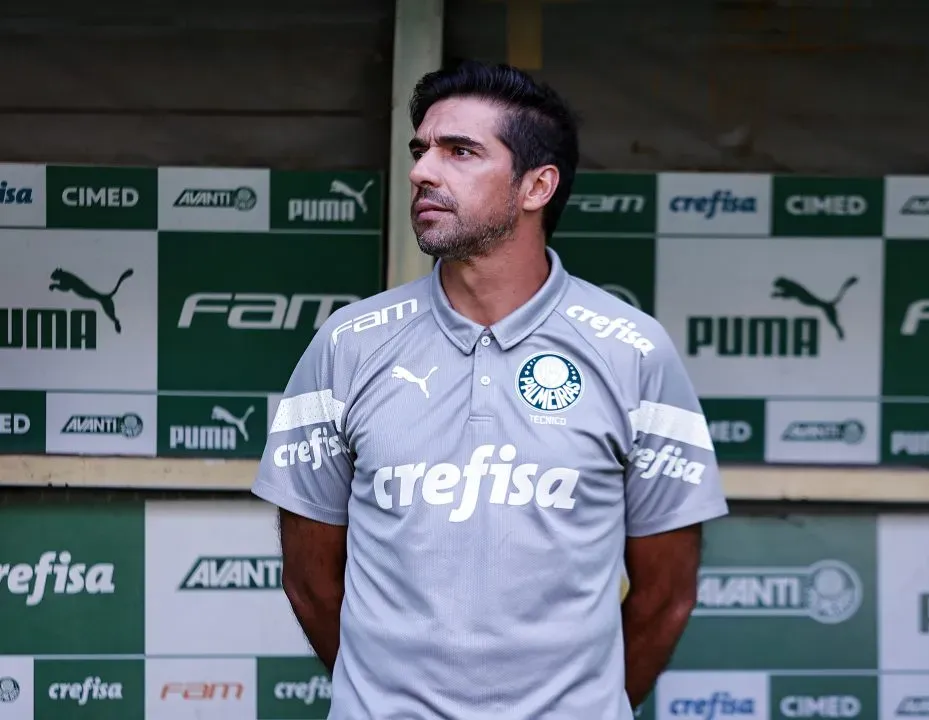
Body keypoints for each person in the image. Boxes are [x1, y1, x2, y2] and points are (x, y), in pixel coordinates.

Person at [251, 60, 729, 720]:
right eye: (421, 150)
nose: (421, 171)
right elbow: (310, 583)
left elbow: (665, 595)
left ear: (537, 186)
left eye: (460, 151)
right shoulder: (348, 344)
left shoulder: (633, 350)